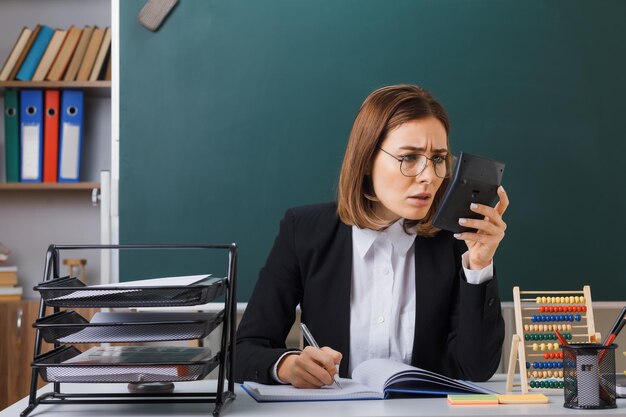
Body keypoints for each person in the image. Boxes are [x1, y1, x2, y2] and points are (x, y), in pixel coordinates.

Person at [234, 84, 508, 388]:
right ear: (366, 162)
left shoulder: (455, 242)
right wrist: (286, 365)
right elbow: (244, 351)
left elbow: (476, 368)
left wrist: (479, 265)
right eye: (409, 158)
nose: (429, 176)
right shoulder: (305, 231)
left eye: (438, 158)